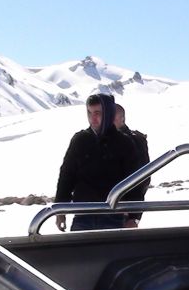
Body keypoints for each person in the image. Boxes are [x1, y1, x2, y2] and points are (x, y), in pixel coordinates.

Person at [54, 93, 139, 231]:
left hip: (114, 215)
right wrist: (60, 210)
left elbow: (135, 181)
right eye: (90, 112)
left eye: (98, 113)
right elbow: (66, 176)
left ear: (108, 113)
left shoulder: (124, 142)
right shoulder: (80, 140)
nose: (93, 118)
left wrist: (134, 217)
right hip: (83, 214)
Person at [114, 103, 150, 228]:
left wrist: (134, 215)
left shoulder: (135, 141)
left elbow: (142, 178)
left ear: (122, 118)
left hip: (123, 210)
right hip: (99, 210)